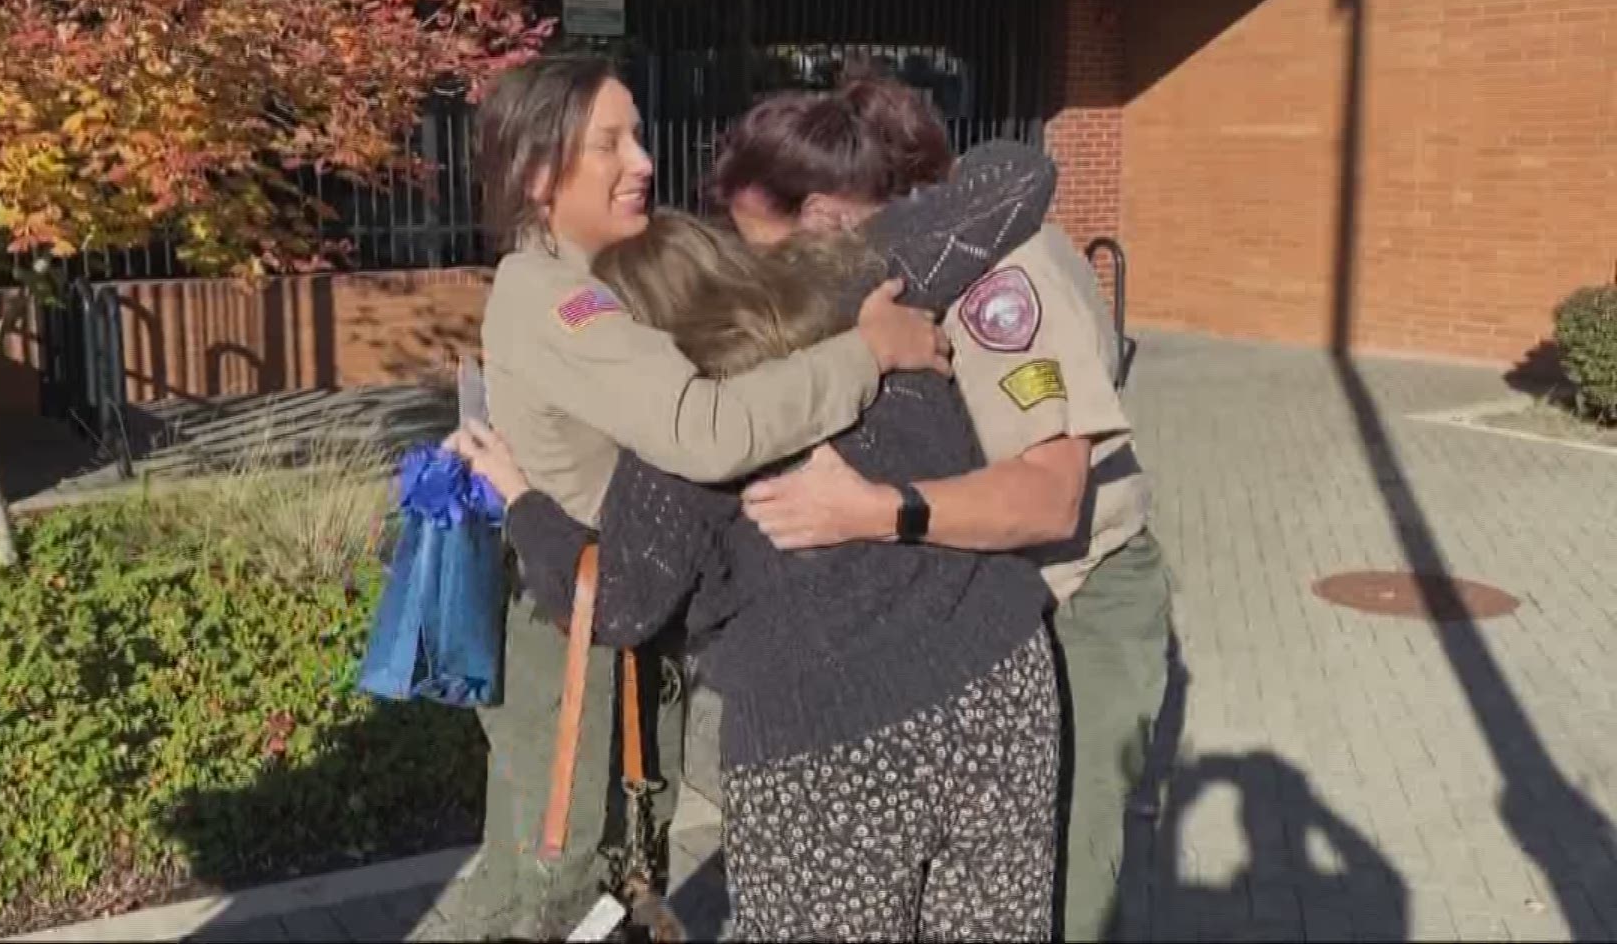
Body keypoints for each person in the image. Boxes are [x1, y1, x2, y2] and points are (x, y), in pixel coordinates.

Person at [449, 155, 1065, 939]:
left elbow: (617, 602)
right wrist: (867, 239)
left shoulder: (673, 455)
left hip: (829, 751)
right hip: (1001, 685)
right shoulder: (857, 298)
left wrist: (522, 499)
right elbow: (1020, 177)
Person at [723, 76, 1179, 943]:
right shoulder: (898, 275)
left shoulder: (1003, 280)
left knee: (1074, 891)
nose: (762, 268)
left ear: (827, 214)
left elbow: (1050, 496)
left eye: (764, 241)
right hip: (993, 613)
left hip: (1080, 599)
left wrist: (873, 511)